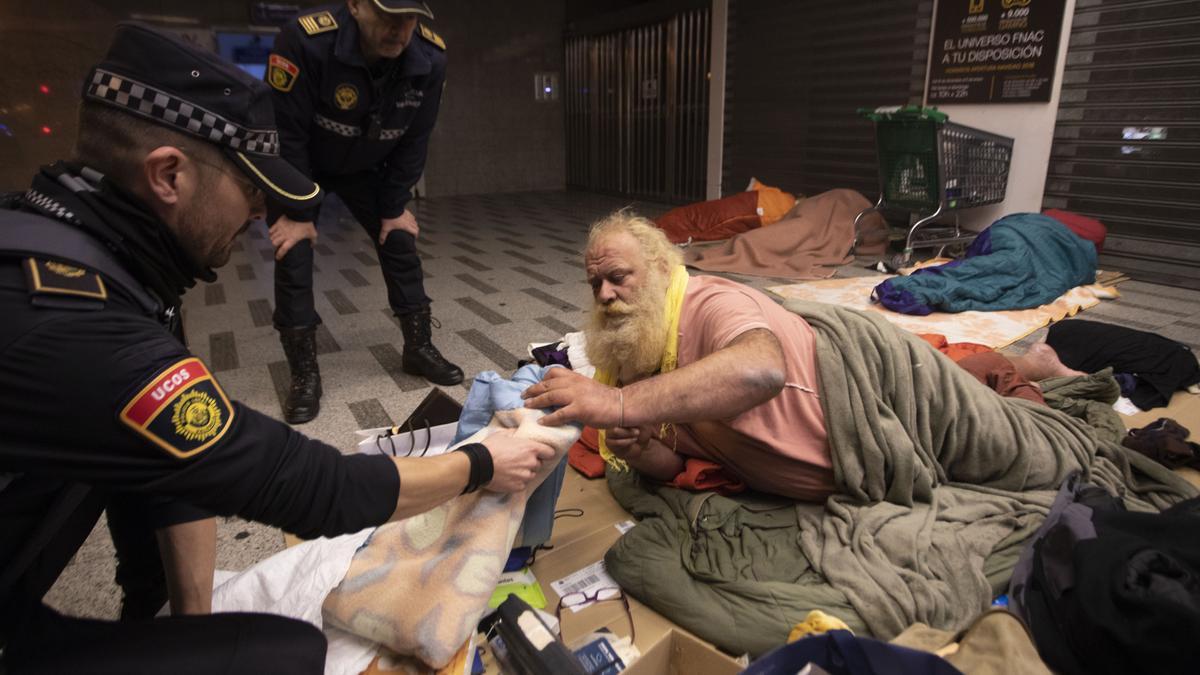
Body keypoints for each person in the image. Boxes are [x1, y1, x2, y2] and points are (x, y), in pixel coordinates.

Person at [0, 23, 553, 673]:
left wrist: (185, 627)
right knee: (288, 655)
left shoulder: (71, 250)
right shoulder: (80, 327)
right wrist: (481, 463)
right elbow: (306, 486)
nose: (260, 212)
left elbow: (163, 464)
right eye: (249, 187)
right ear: (169, 174)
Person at [522, 210, 835, 501]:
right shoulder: (630, 348)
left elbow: (764, 370)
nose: (604, 294)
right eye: (595, 284)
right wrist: (639, 451)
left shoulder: (711, 301)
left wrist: (618, 403)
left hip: (854, 420)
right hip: (806, 489)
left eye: (618, 277)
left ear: (661, 269)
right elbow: (676, 465)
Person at [265, 0, 459, 424]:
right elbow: (287, 132)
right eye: (387, 15)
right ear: (355, 5)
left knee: (399, 236)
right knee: (293, 250)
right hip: (304, 164)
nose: (399, 29)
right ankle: (304, 372)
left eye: (409, 18)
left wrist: (394, 207)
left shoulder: (430, 57)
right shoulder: (305, 40)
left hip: (368, 166)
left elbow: (416, 139)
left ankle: (418, 347)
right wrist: (296, 209)